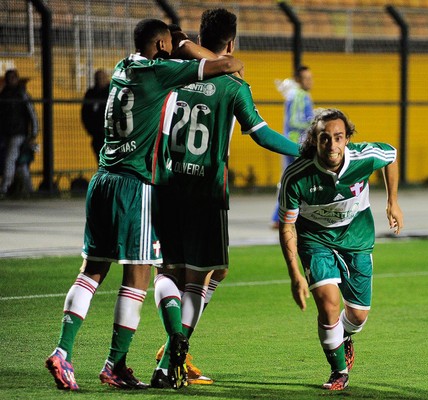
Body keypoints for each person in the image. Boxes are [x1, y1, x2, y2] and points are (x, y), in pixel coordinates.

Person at [45, 18, 244, 391]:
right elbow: (231, 66)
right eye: (166, 44)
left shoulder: (123, 66)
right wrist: (185, 46)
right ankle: (114, 364)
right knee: (138, 278)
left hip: (102, 179)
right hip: (135, 184)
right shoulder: (161, 71)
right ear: (160, 45)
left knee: (91, 271)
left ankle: (63, 352)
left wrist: (172, 43)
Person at [148, 9, 300, 389]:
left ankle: (172, 351)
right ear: (231, 43)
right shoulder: (233, 86)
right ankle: (171, 358)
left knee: (170, 270)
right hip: (205, 193)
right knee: (199, 277)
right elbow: (262, 134)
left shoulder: (171, 74)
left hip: (165, 185)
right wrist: (305, 151)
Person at [277, 108, 403, 391]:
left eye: (338, 137)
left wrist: (392, 201)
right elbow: (287, 228)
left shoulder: (364, 157)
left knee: (357, 315)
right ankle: (338, 372)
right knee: (329, 303)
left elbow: (391, 155)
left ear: (347, 139)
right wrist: (295, 273)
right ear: (315, 139)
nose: (332, 145)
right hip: (315, 239)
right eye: (325, 138)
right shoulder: (296, 176)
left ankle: (342, 337)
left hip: (356, 237)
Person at [271, 65, 314, 228]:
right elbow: (294, 121)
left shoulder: (295, 94)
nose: (310, 81)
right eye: (306, 78)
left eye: (311, 78)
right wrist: (313, 121)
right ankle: (287, 217)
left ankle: (279, 217)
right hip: (296, 144)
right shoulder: (300, 95)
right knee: (302, 179)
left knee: (289, 180)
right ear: (298, 80)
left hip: (291, 142)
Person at [0, 69, 38, 197]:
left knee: (10, 159)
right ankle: (29, 189)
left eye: (13, 77)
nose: (11, 80)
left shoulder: (22, 95)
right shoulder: (3, 95)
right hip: (5, 134)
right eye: (8, 78)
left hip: (18, 134)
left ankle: (5, 187)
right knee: (20, 163)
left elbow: (32, 115)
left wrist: (33, 133)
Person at [81, 69, 109, 164]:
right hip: (97, 136)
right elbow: (85, 115)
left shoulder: (113, 92)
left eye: (102, 78)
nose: (100, 80)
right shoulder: (91, 94)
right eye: (98, 78)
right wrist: (92, 131)